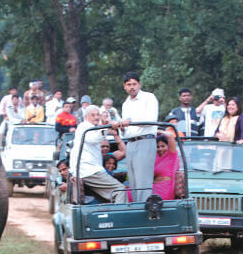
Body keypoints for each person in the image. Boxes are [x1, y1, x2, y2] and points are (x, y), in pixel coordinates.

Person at [114, 71, 159, 202]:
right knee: (133, 181)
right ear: (124, 86)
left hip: (145, 140)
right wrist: (121, 128)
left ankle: (146, 212)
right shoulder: (126, 103)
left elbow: (150, 120)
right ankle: (137, 209)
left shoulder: (149, 98)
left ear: (139, 84)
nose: (132, 87)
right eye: (129, 84)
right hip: (131, 143)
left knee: (143, 181)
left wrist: (130, 121)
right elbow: (127, 130)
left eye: (134, 84)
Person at [70, 105, 128, 204]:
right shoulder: (85, 126)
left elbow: (123, 150)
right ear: (86, 117)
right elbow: (94, 139)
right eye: (93, 115)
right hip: (89, 171)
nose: (96, 117)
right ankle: (120, 218)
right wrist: (106, 127)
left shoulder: (94, 128)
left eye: (98, 115)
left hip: (90, 170)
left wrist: (110, 127)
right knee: (120, 190)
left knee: (111, 195)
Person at [153, 130, 180, 200]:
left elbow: (170, 136)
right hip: (153, 187)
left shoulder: (171, 155)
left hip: (164, 189)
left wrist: (157, 131)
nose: (160, 149)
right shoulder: (155, 157)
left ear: (168, 146)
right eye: (157, 147)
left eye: (163, 146)